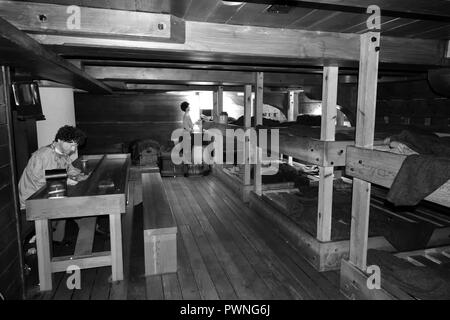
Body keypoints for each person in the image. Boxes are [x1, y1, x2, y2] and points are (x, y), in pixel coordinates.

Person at [19, 125, 89, 242]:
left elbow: (69, 168)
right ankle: (49, 238)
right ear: (60, 140)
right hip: (32, 199)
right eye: (71, 145)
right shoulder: (43, 155)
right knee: (75, 203)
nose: (73, 149)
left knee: (77, 201)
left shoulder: (63, 153)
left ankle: (64, 236)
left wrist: (81, 175)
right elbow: (37, 180)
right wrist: (65, 181)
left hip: (47, 194)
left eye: (75, 146)